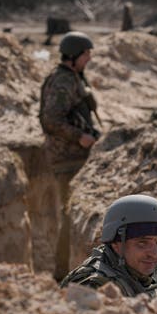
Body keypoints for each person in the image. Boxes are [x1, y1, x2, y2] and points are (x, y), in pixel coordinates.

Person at [39, 31, 100, 281]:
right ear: (74, 56)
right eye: (86, 54)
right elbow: (51, 119)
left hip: (75, 157)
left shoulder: (73, 77)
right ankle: (62, 274)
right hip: (67, 160)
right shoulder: (62, 81)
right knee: (69, 217)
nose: (89, 59)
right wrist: (79, 137)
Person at [60, 194, 157, 298]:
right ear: (116, 244)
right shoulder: (94, 287)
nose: (154, 253)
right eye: (142, 243)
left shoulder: (153, 272)